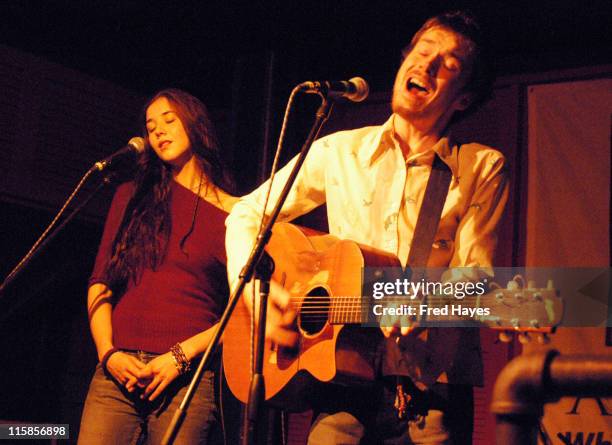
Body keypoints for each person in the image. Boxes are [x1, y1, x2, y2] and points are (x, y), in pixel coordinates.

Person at [225, 10, 508, 445]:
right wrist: (254, 296)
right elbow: (246, 215)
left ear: (464, 99)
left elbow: (480, 280)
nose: (426, 64)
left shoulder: (480, 168)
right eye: (422, 50)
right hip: (341, 384)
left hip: (430, 388)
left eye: (448, 64)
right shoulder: (337, 152)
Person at [78, 88, 236, 444]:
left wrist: (180, 356)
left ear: (195, 126)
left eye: (169, 120)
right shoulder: (132, 197)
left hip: (187, 380)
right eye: (151, 127)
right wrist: (108, 354)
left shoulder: (235, 214)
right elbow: (100, 282)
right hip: (116, 375)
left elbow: (244, 311)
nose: (159, 131)